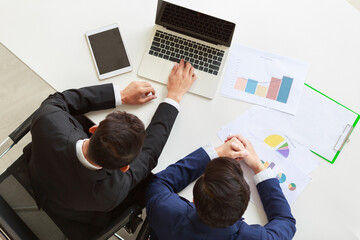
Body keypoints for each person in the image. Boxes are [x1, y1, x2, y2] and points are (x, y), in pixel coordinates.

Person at [28, 59, 196, 238]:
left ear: (93, 129)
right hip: (70, 208)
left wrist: (120, 95)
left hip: (38, 177)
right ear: (124, 167)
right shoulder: (111, 193)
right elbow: (149, 155)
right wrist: (174, 97)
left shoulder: (48, 122)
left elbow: (58, 100)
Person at [146, 135, 296, 240]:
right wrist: (258, 166)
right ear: (241, 211)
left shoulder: (164, 208)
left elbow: (159, 182)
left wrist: (217, 152)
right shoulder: (252, 237)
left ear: (194, 199)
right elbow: (285, 222)